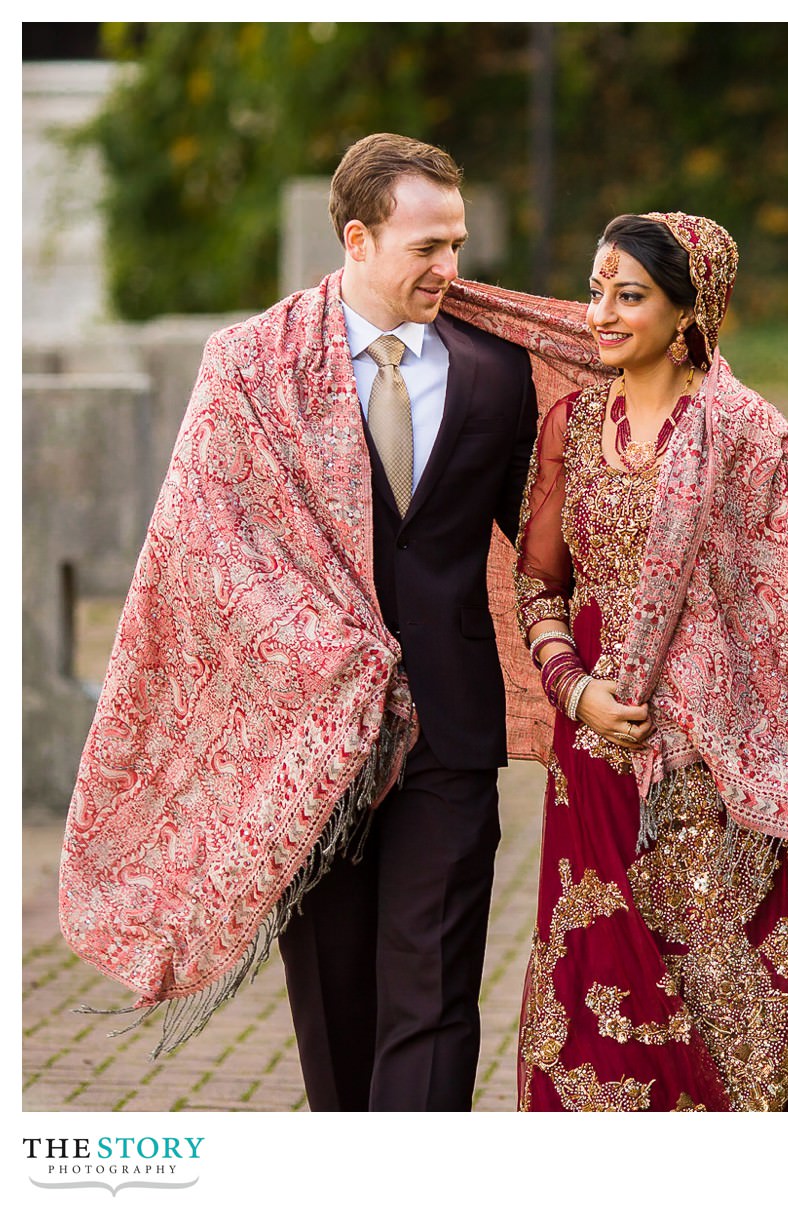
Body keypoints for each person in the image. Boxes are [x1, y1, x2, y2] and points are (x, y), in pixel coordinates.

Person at [58, 133, 544, 1112]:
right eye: (425, 246)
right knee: (336, 998)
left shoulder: (496, 371)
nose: (449, 267)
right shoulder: (249, 365)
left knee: (438, 991)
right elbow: (204, 540)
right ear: (357, 239)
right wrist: (323, 654)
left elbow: (542, 538)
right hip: (308, 739)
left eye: (456, 242)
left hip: (451, 725)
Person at [506, 213, 788, 1110]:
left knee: (723, 1004)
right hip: (596, 757)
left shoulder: (747, 434)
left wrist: (735, 742)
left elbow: (773, 622)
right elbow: (538, 587)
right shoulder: (573, 422)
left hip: (714, 766)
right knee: (600, 993)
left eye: (628, 296)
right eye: (597, 289)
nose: (601, 313)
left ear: (686, 312)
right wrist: (576, 689)